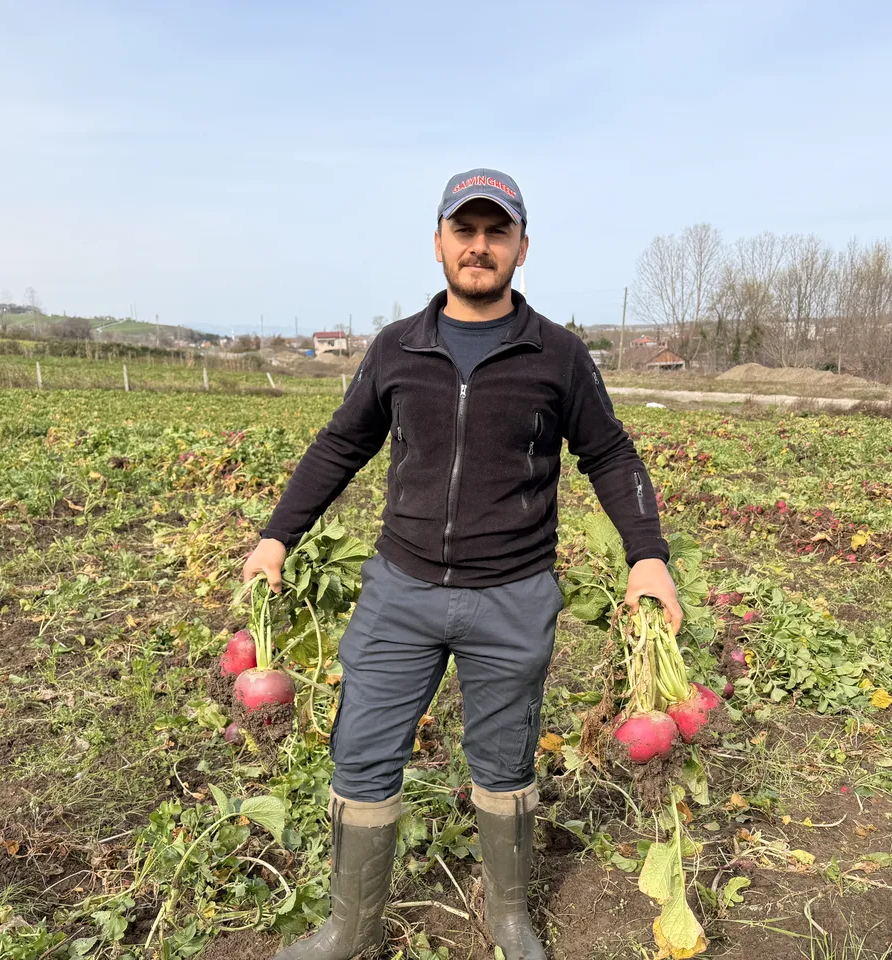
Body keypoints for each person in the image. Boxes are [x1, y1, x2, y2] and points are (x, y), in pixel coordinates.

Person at [241, 167, 681, 960]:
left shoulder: (558, 354)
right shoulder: (396, 349)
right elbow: (341, 444)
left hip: (511, 597)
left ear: (521, 247)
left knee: (505, 758)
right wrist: (279, 535)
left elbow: (610, 453)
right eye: (465, 231)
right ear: (439, 241)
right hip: (399, 591)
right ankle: (349, 928)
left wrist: (647, 557)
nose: (480, 247)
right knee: (363, 750)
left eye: (497, 232)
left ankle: (509, 917)